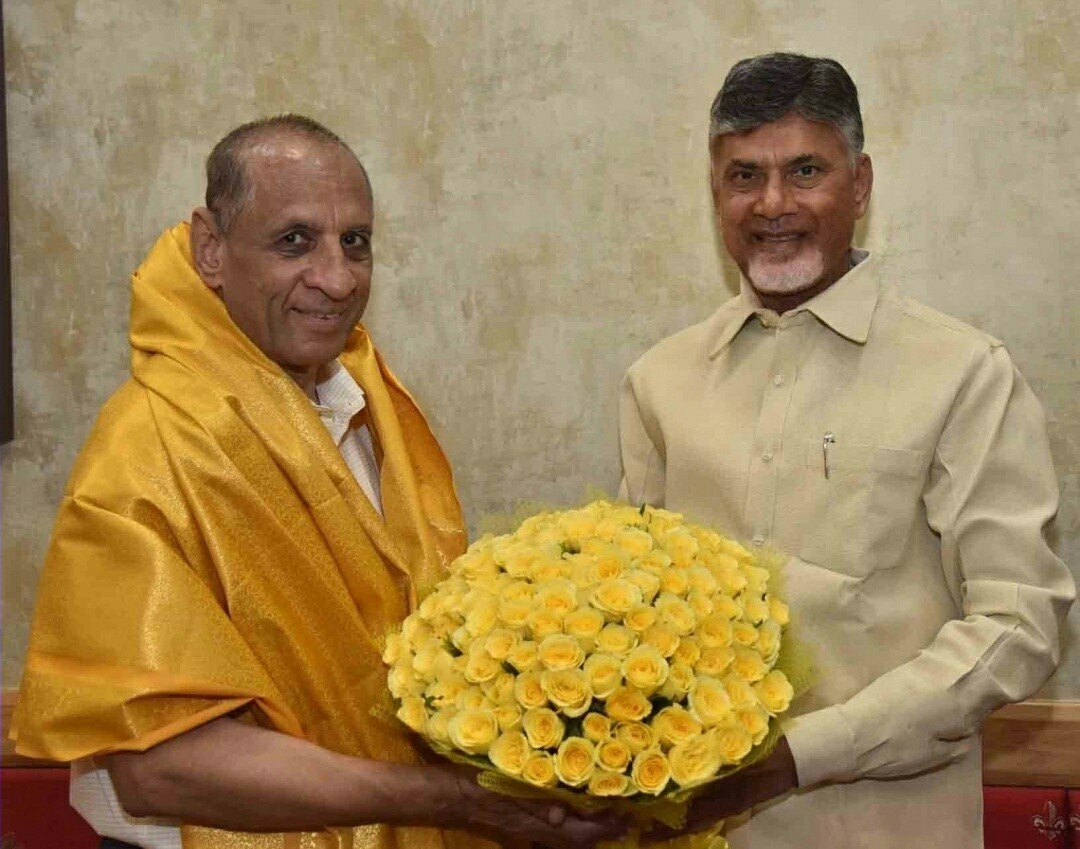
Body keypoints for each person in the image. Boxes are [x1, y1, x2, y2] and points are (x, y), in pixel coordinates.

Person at [12, 115, 623, 849]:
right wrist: (459, 800)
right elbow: (159, 764)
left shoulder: (369, 404)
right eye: (293, 240)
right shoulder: (149, 446)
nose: (336, 278)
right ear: (211, 248)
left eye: (354, 242)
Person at [619, 53, 1075, 848]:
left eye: (805, 170)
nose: (773, 204)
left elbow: (1019, 622)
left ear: (859, 185)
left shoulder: (963, 372)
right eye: (743, 176)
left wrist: (800, 755)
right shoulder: (657, 381)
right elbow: (628, 614)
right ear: (714, 189)